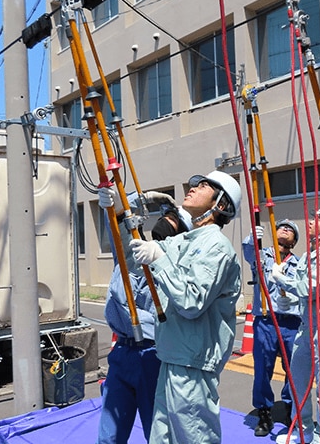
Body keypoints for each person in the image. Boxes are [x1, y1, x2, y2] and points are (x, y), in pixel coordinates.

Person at [122, 170, 243, 443]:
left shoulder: (218, 247)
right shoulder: (183, 241)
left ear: (220, 204)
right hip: (171, 356)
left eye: (204, 186)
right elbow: (131, 260)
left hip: (193, 363)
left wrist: (159, 258)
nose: (193, 188)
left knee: (194, 437)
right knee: (162, 439)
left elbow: (191, 302)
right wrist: (121, 212)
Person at [95, 188, 191, 442]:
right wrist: (140, 199)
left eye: (173, 221)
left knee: (157, 433)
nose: (165, 223)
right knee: (109, 435)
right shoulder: (135, 252)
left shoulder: (177, 267)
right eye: (165, 216)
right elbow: (119, 223)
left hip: (154, 355)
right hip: (122, 354)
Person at [272, 204, 320, 444]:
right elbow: (302, 290)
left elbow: (313, 288)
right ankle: (302, 432)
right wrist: (289, 301)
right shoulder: (309, 254)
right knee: (299, 382)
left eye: (318, 219)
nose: (311, 221)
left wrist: (280, 278)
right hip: (307, 324)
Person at [242, 219, 302, 436]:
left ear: (294, 240)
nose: (285, 229)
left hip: (291, 322)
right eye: (281, 227)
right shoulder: (262, 256)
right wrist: (252, 238)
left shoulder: (299, 263)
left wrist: (294, 303)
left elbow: (304, 290)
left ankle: (289, 407)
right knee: (262, 370)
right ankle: (264, 412)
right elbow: (248, 253)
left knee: (294, 370)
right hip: (266, 320)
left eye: (290, 229)